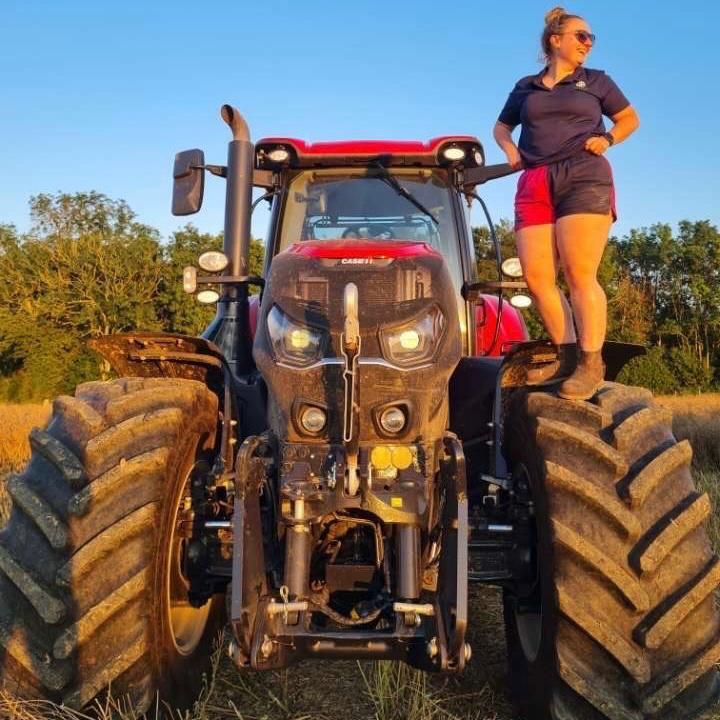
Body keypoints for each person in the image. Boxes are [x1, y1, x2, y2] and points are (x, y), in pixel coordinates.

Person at [493, 6, 639, 400]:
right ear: (555, 40)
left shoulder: (596, 81)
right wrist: (509, 148)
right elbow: (502, 126)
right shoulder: (526, 87)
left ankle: (592, 363)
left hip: (583, 173)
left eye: (591, 38)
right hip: (535, 179)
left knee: (578, 273)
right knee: (538, 279)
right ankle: (567, 356)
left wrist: (608, 139)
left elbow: (629, 119)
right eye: (581, 36)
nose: (587, 44)